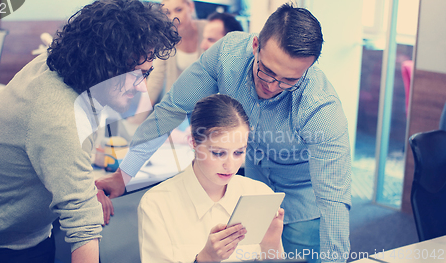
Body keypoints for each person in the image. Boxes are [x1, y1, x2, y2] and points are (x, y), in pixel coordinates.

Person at [98, 2, 351, 263]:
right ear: (255, 46)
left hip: (304, 199)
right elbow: (171, 109)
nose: (273, 86)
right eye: (267, 72)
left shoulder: (320, 108)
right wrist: (124, 175)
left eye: (289, 80)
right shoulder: (227, 56)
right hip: (252, 190)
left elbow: (334, 198)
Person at [0, 1, 180, 262]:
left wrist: (84, 190)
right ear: (102, 64)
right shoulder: (58, 114)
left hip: (14, 235)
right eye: (134, 75)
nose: (141, 89)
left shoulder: (61, 68)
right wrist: (83, 200)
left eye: (146, 74)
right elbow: (83, 227)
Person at [138, 94, 285, 262]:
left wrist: (270, 245)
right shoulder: (157, 204)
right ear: (193, 143)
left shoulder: (259, 194)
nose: (230, 165)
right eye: (218, 153)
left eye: (239, 152)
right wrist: (205, 259)